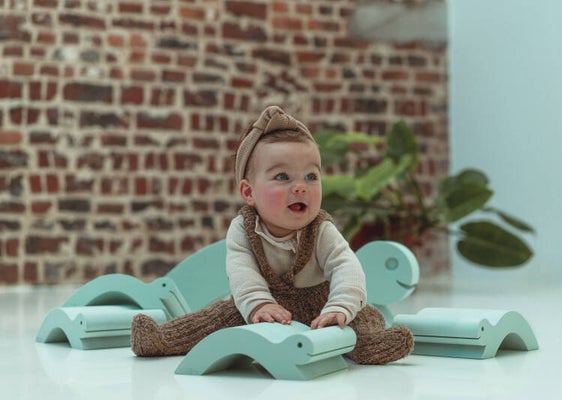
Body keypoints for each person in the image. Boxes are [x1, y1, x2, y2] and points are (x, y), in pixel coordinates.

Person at [130, 105, 413, 364]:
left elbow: (346, 267)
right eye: (282, 177)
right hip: (265, 305)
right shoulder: (242, 229)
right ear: (249, 192)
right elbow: (241, 271)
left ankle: (373, 344)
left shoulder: (321, 229)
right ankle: (162, 338)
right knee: (215, 319)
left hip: (323, 306)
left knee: (359, 321)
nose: (300, 187)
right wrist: (259, 304)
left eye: (311, 176)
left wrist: (339, 307)